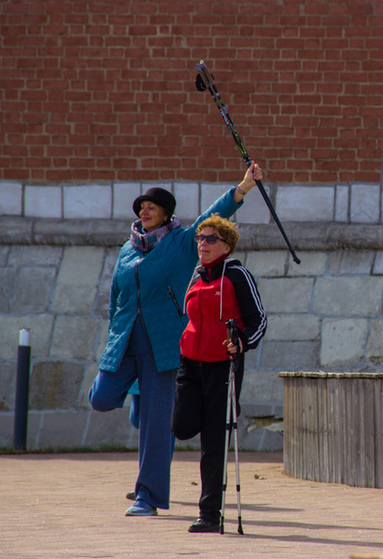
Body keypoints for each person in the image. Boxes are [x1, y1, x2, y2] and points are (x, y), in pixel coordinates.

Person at [89, 163, 263, 517]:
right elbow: (116, 296)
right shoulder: (128, 249)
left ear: (166, 213)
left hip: (163, 345)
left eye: (151, 207)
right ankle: (139, 404)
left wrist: (242, 188)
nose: (144, 211)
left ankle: (148, 497)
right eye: (141, 207)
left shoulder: (183, 242)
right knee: (101, 397)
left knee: (156, 426)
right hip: (124, 341)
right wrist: (112, 336)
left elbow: (214, 216)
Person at [171, 215, 267, 533]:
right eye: (200, 237)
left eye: (211, 239)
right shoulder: (197, 276)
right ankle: (217, 417)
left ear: (226, 245)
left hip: (222, 367)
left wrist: (240, 342)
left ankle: (210, 514)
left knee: (214, 442)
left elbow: (259, 321)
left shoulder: (236, 274)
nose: (203, 244)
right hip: (190, 364)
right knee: (182, 426)